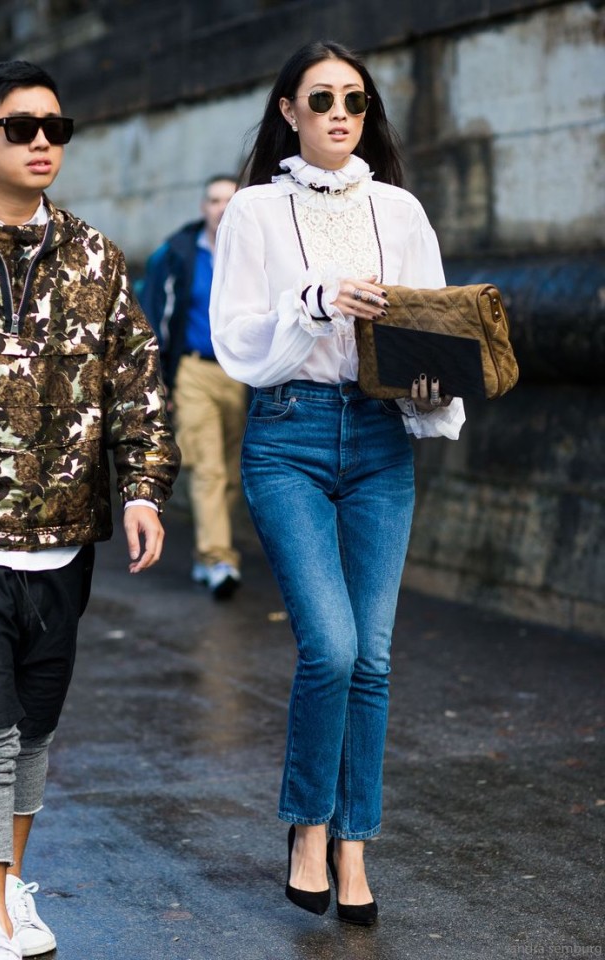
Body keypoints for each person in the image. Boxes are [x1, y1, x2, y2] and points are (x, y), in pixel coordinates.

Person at [210, 40, 465, 925]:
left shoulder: (398, 209)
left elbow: (432, 320)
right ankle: (307, 828)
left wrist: (433, 373)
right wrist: (316, 300)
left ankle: (355, 846)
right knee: (332, 646)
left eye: (353, 99)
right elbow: (235, 339)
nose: (339, 114)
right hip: (289, 436)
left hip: (381, 436)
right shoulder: (250, 213)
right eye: (320, 100)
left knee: (376, 657)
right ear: (288, 110)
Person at [0, 60, 180, 959]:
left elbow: (137, 385)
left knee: (35, 730)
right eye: (20, 127)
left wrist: (142, 490)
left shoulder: (96, 256)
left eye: (56, 126)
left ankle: (14, 886)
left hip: (63, 538)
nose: (43, 140)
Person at [139, 176, 246, 600]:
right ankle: (218, 556)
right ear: (203, 206)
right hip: (194, 371)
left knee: (233, 470)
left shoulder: (254, 252)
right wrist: (158, 381)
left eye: (230, 200)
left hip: (244, 376)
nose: (222, 208)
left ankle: (208, 557)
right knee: (207, 468)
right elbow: (154, 320)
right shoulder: (179, 253)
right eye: (215, 200)